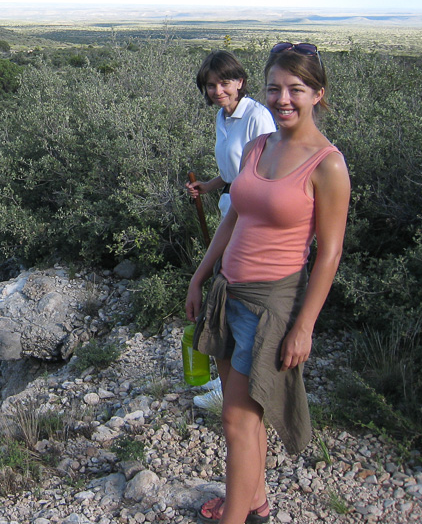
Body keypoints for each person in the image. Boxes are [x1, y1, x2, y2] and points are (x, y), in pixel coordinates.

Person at [185, 42, 350, 524]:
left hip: (271, 304)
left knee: (237, 417)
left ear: (317, 93)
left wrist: (304, 327)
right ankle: (254, 502)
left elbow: (330, 252)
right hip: (228, 290)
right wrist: (201, 276)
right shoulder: (260, 145)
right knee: (243, 419)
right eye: (275, 87)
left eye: (296, 89)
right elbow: (234, 214)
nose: (283, 98)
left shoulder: (327, 164)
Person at [186, 51, 276, 408]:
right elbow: (231, 170)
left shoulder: (257, 117)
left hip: (249, 221)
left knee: (236, 299)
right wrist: (209, 186)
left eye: (224, 82)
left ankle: (244, 390)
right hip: (230, 211)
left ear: (239, 80)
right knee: (224, 297)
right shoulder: (224, 118)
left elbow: (266, 174)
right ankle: (229, 384)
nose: (217, 90)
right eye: (211, 85)